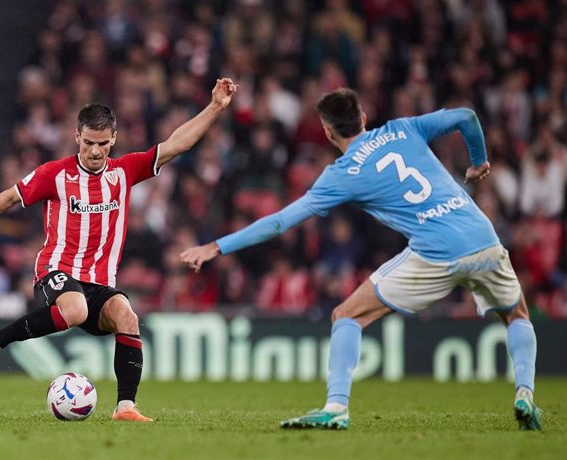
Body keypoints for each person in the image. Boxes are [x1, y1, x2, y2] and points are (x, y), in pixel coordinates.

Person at [180, 88, 542, 431]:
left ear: (326, 132)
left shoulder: (342, 174)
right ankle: (524, 394)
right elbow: (466, 116)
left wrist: (216, 247)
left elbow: (279, 222)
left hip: (435, 251)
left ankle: (336, 408)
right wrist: (479, 163)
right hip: (481, 235)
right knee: (516, 314)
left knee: (346, 315)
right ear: (364, 116)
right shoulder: (404, 128)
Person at [0, 77, 237, 423]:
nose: (95, 152)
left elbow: (176, 145)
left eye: (103, 144)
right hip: (55, 272)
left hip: (99, 283)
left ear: (114, 140)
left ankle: (126, 407)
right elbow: (8, 199)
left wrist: (215, 106)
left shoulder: (125, 172)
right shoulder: (55, 174)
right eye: (89, 143)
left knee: (127, 316)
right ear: (77, 137)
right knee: (75, 307)